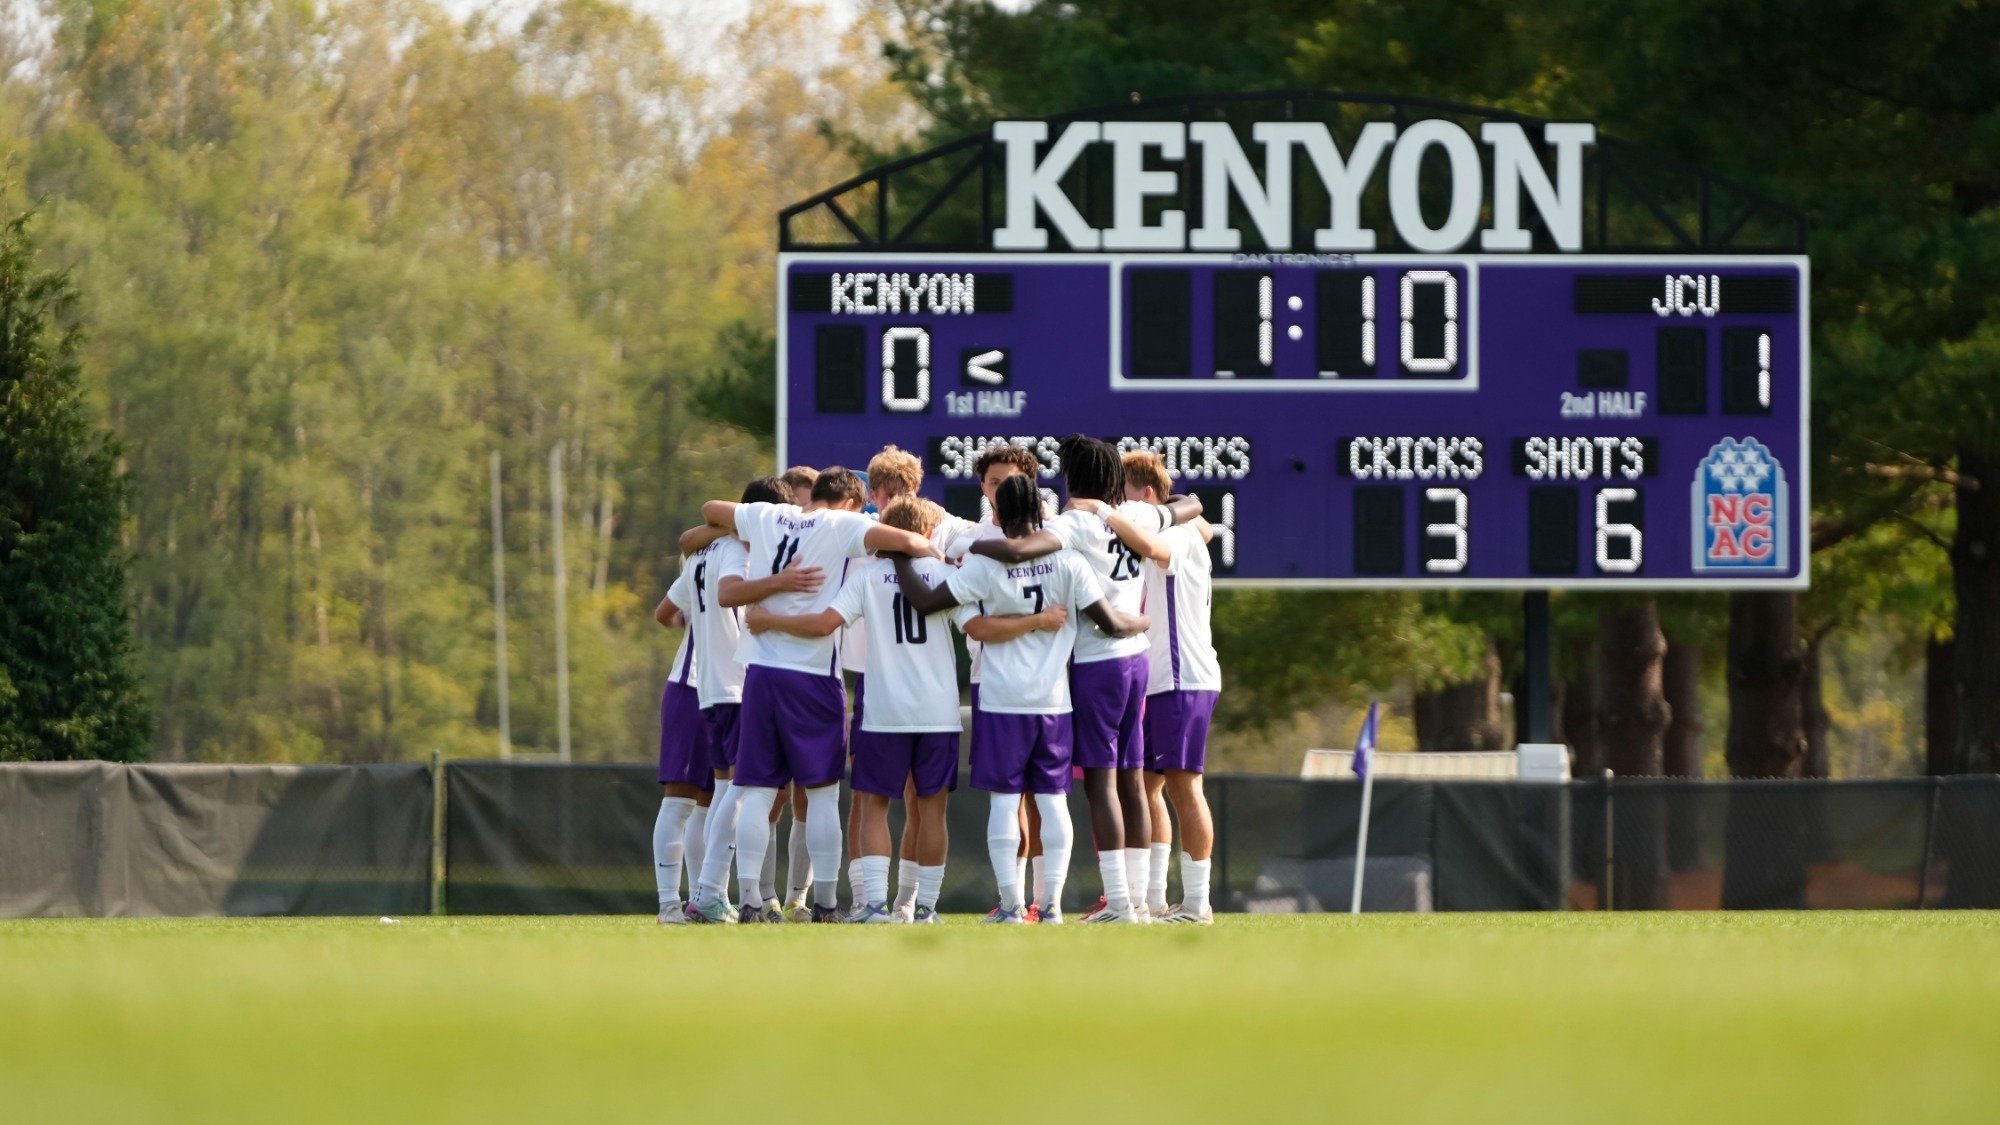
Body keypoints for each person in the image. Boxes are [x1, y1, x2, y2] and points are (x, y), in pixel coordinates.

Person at [893, 474, 1151, 924]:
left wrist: (899, 560)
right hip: (1054, 702)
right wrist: (1141, 624)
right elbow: (1109, 622)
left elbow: (928, 602)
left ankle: (1012, 905)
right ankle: (1049, 906)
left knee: (1004, 802)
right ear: (1041, 511)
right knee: (1053, 802)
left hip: (1000, 701)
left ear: (996, 515)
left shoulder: (982, 567)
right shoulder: (1069, 562)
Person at [685, 468, 939, 924]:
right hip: (812, 676)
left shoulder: (767, 515)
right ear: (850, 502)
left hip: (760, 672)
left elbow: (710, 510)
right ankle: (823, 903)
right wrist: (927, 547)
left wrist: (731, 526)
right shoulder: (844, 524)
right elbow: (911, 542)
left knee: (756, 791)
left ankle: (748, 902)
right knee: (820, 795)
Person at [963, 436, 1201, 923]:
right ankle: (1136, 899)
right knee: (1134, 780)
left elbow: (1024, 548)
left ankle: (1118, 902)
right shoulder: (1134, 514)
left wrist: (976, 546)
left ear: (1072, 477)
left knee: (1100, 783)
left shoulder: (1072, 523)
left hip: (1096, 662)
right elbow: (1190, 507)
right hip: (1137, 658)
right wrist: (1115, 511)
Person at [748, 495, 962, 923]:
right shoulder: (946, 573)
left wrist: (771, 621)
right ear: (926, 533)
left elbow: (824, 624)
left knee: (874, 805)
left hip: (885, 709)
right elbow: (974, 627)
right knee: (933, 808)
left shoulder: (868, 577)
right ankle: (926, 909)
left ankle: (875, 906)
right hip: (939, 710)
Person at [675, 476, 823, 924]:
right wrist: (780, 582)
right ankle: (713, 893)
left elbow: (687, 541)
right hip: (738, 685)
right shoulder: (738, 552)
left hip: (712, 686)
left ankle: (711, 894)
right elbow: (730, 593)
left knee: (725, 791)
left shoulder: (703, 550)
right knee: (742, 794)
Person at [1113, 451, 1220, 924]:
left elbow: (1157, 545)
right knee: (1148, 786)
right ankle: (1155, 898)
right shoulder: (1184, 525)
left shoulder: (1175, 534)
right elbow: (1204, 523)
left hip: (1183, 677)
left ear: (1151, 497)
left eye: (1127, 496)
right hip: (1161, 680)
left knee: (1184, 787)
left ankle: (1198, 904)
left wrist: (1102, 514)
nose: (1122, 506)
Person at [648, 579, 709, 924]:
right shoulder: (709, 554)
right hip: (693, 685)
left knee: (713, 802)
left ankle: (703, 901)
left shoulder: (765, 553)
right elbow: (664, 613)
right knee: (680, 800)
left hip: (735, 691)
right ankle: (669, 904)